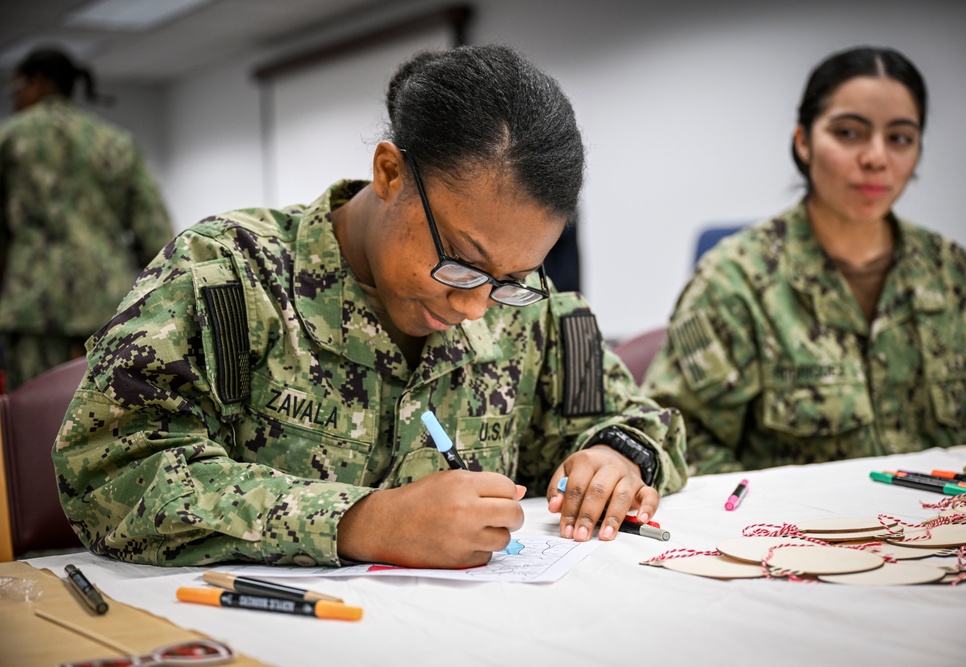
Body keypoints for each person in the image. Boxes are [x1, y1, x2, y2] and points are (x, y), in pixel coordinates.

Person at [53, 45, 688, 568]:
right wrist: (360, 521)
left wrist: (617, 455)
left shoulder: (533, 314)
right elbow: (112, 473)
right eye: (461, 261)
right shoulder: (226, 277)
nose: (476, 306)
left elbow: (640, 421)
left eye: (512, 277)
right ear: (389, 174)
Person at [642, 46, 966, 474]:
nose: (876, 158)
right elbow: (679, 436)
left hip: (948, 510)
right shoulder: (735, 279)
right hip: (792, 517)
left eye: (900, 138)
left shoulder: (952, 272)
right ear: (804, 142)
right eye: (849, 132)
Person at [0, 47, 173, 391]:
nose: (15, 97)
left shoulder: (9, 138)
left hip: (35, 306)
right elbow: (157, 236)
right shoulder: (115, 142)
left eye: (17, 86)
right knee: (105, 410)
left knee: (33, 412)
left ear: (37, 81)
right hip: (109, 305)